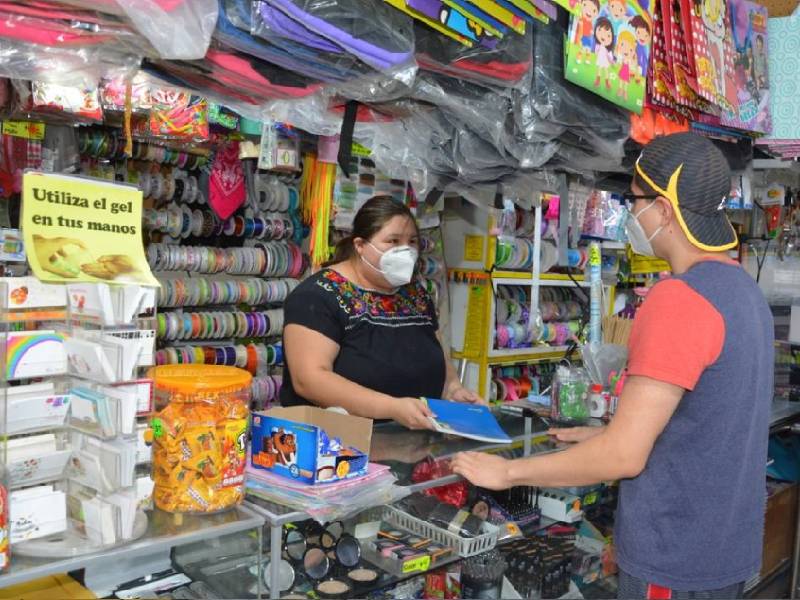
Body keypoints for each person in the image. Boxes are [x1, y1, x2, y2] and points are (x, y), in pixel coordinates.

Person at [452, 132, 774, 599]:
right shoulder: (742, 289)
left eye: (635, 199)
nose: (631, 213)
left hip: (673, 553)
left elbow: (625, 457)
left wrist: (507, 473)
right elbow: (706, 422)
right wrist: (610, 432)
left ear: (664, 210)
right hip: (725, 550)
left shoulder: (678, 299)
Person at [281, 195, 483, 430]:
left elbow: (435, 357)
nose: (405, 251)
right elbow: (309, 380)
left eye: (412, 242)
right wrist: (392, 407)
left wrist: (453, 390)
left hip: (412, 442)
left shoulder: (415, 294)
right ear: (360, 245)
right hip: (338, 449)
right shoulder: (317, 296)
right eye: (393, 241)